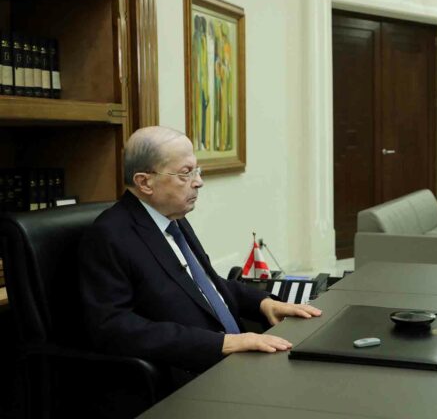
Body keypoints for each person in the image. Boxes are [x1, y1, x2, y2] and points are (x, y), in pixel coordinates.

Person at [78, 126, 321, 381]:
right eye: (186, 173)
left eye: (197, 170)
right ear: (144, 182)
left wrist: (264, 303)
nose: (198, 182)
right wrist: (222, 344)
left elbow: (205, 286)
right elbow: (113, 328)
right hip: (189, 375)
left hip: (236, 361)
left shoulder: (173, 219)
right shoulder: (110, 235)